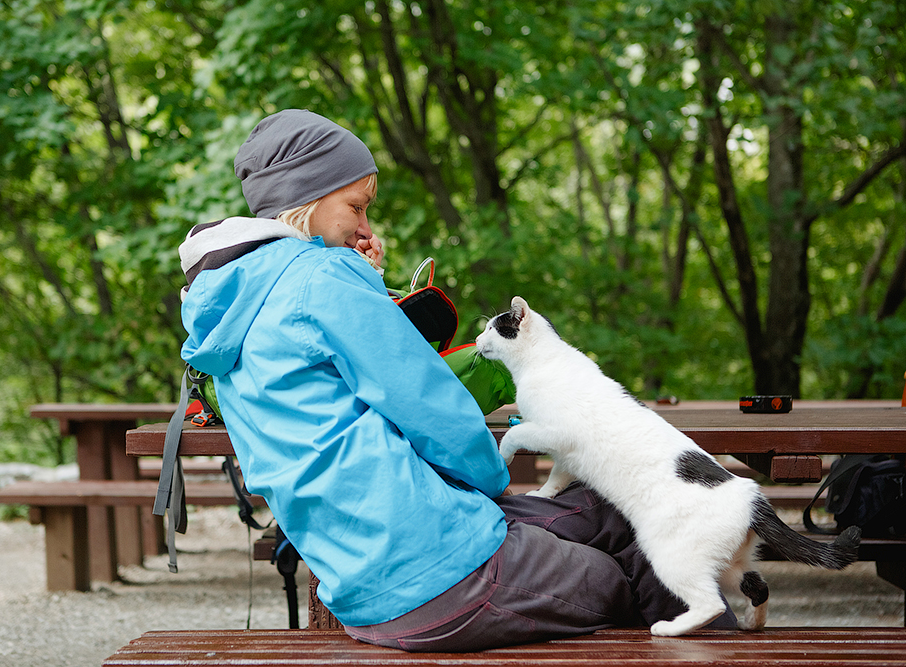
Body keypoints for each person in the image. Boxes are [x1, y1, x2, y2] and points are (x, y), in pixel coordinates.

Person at [178, 109, 736, 651]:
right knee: (636, 565)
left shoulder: (232, 308)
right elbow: (433, 410)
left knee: (612, 512)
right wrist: (493, 480)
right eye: (356, 206)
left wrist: (369, 283)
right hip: (445, 576)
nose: (365, 227)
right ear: (307, 199)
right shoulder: (324, 278)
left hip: (363, 585)